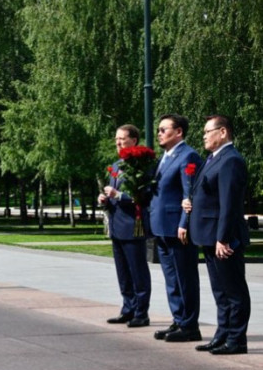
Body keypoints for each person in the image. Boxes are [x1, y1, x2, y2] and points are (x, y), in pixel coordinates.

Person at [183, 115, 250, 355]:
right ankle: (222, 335)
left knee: (234, 292)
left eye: (207, 131)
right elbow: (207, 193)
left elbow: (229, 203)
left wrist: (223, 238)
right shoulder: (213, 158)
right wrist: (192, 203)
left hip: (223, 238)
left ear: (222, 132)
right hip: (209, 236)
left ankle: (236, 340)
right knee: (220, 291)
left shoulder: (230, 160)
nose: (203, 136)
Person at [149, 114, 203, 343]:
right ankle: (179, 319)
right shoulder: (165, 156)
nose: (159, 133)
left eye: (163, 129)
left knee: (185, 278)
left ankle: (190, 325)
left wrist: (184, 223)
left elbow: (188, 194)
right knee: (171, 278)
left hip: (177, 228)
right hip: (161, 227)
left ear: (178, 132)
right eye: (159, 130)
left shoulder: (187, 155)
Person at [99, 125, 151, 328]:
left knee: (138, 272)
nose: (118, 142)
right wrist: (104, 199)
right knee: (123, 272)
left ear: (134, 140)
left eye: (122, 139)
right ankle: (127, 308)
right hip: (117, 226)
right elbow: (113, 196)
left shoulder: (141, 165)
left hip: (133, 226)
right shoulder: (116, 164)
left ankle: (141, 312)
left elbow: (144, 195)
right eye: (116, 139)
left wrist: (118, 195)